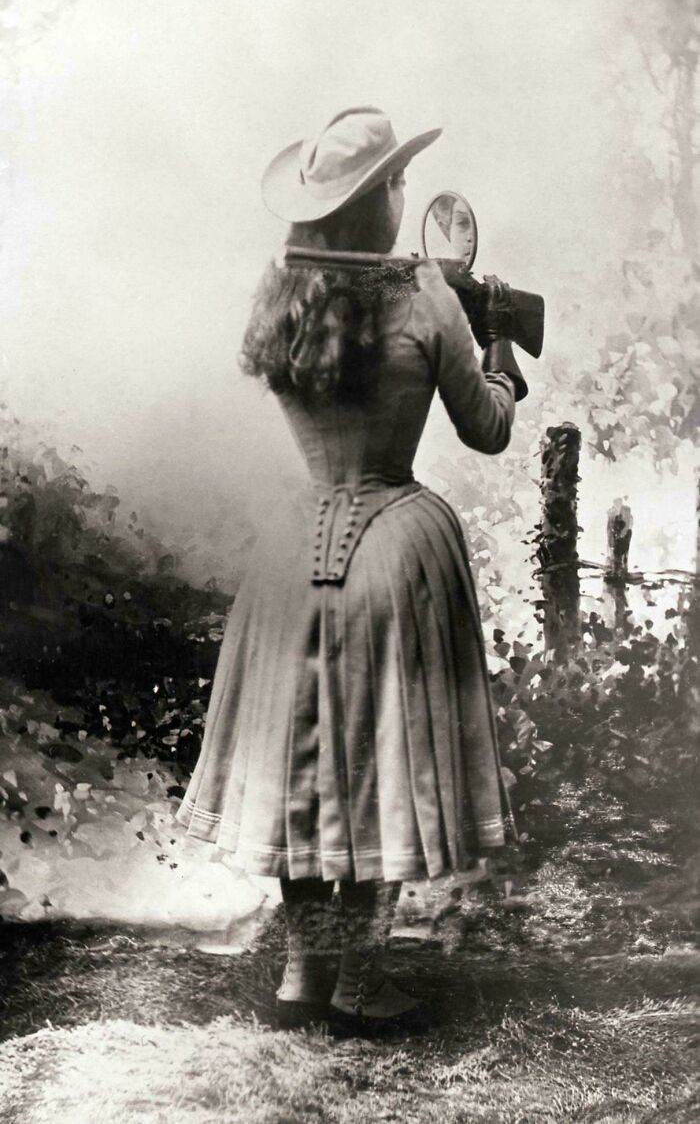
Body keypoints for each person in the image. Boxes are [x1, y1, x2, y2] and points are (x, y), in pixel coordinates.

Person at [176, 106, 527, 1038]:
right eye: (398, 182)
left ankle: (304, 971)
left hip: (294, 553)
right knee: (379, 754)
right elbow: (488, 427)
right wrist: (499, 354)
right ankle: (362, 980)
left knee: (303, 755)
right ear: (382, 201)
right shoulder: (426, 297)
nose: (406, 193)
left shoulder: (284, 293)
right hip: (394, 544)